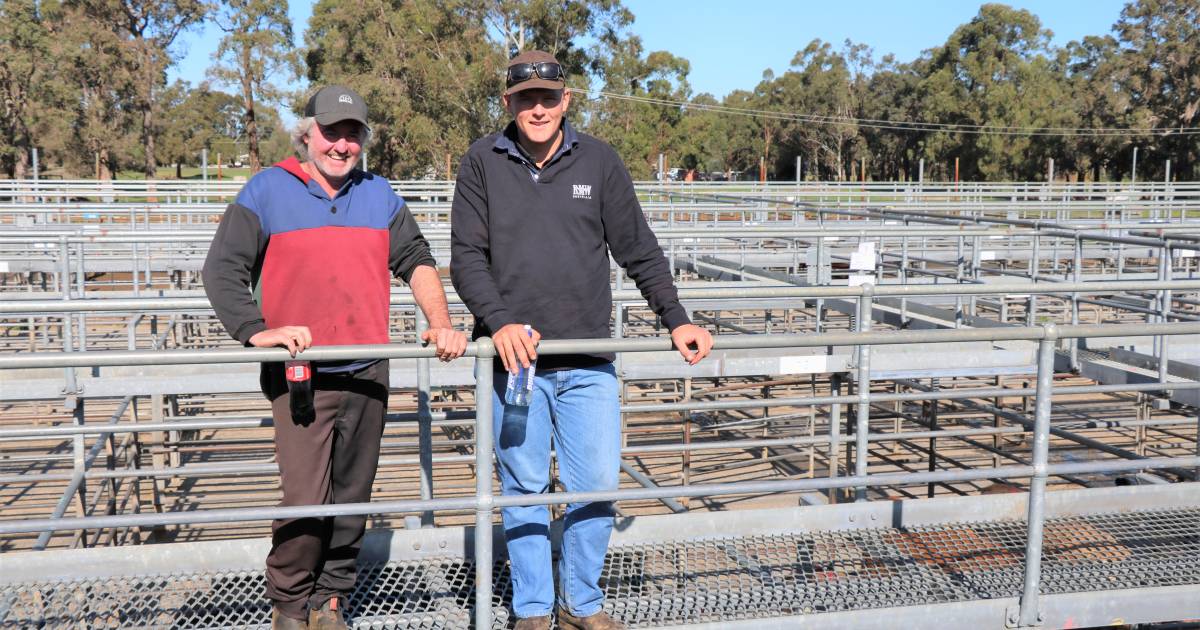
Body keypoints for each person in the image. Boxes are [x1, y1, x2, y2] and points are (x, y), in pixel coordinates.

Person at [450, 51, 713, 630]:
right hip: (513, 362)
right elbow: (467, 259)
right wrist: (499, 321)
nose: (537, 108)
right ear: (508, 104)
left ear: (566, 100)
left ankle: (582, 603)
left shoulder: (599, 160)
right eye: (525, 99)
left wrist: (677, 318)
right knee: (523, 488)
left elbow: (638, 247)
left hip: (589, 359)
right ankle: (534, 610)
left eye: (548, 97)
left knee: (595, 482)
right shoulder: (481, 163)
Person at [202, 85, 466, 630]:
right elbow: (222, 270)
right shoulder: (267, 190)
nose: (342, 145)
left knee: (352, 495)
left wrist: (439, 322)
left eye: (353, 134)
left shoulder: (379, 195)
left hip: (368, 368)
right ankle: (290, 603)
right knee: (305, 496)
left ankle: (331, 599)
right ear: (308, 134)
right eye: (331, 132)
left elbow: (416, 260)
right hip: (302, 374)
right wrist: (256, 332)